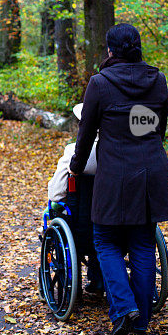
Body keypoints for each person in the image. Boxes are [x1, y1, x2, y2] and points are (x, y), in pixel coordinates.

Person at [68, 23, 168, 335]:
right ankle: (141, 320)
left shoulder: (100, 83)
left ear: (111, 50)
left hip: (115, 174)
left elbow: (85, 134)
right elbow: (159, 127)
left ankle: (123, 308)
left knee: (105, 241)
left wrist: (76, 167)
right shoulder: (157, 80)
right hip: (152, 170)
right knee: (143, 242)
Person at [47, 104, 102, 294]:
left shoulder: (73, 151)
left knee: (54, 210)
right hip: (116, 223)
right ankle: (99, 279)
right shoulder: (117, 152)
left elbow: (56, 193)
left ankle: (73, 285)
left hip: (81, 226)